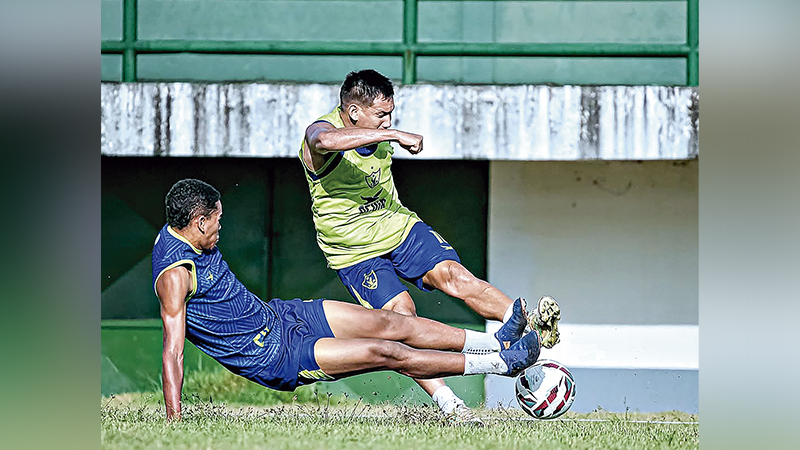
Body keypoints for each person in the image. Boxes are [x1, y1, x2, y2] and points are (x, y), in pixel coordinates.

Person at [153, 178, 543, 423]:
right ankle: (500, 363)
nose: (221, 227)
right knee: (387, 351)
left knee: (393, 322)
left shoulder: (180, 228)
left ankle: (496, 340)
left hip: (279, 314)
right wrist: (173, 421)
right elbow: (173, 353)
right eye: (217, 221)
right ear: (200, 222)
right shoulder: (175, 276)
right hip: (273, 356)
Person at [298, 69, 562, 419]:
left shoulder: (376, 129)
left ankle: (531, 332)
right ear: (354, 111)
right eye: (381, 115)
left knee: (454, 275)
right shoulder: (321, 134)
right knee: (402, 320)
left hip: (398, 225)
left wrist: (385, 130)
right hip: (354, 251)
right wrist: (393, 134)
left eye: (391, 113)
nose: (388, 121)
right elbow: (323, 141)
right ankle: (449, 402)